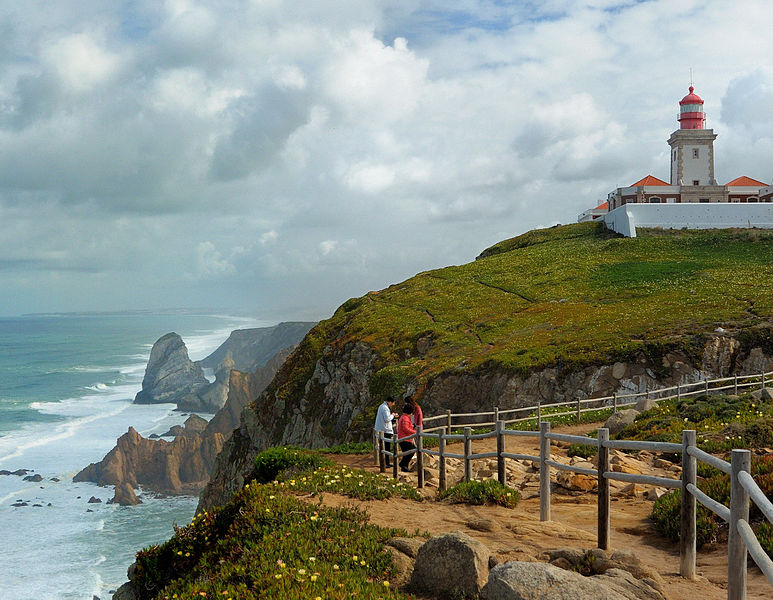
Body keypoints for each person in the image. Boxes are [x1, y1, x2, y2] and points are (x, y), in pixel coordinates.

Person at [374, 396, 397, 467]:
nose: (392, 405)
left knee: (385, 447)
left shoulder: (382, 407)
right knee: (386, 448)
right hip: (385, 430)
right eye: (392, 403)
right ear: (389, 402)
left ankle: (386, 463)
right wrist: (393, 415)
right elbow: (387, 419)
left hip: (382, 429)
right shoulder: (385, 408)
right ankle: (385, 463)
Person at [396, 403, 416, 472]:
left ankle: (404, 466)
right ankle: (403, 464)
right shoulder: (405, 418)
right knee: (410, 451)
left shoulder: (403, 417)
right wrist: (415, 432)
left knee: (408, 452)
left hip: (404, 438)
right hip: (405, 439)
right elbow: (405, 428)